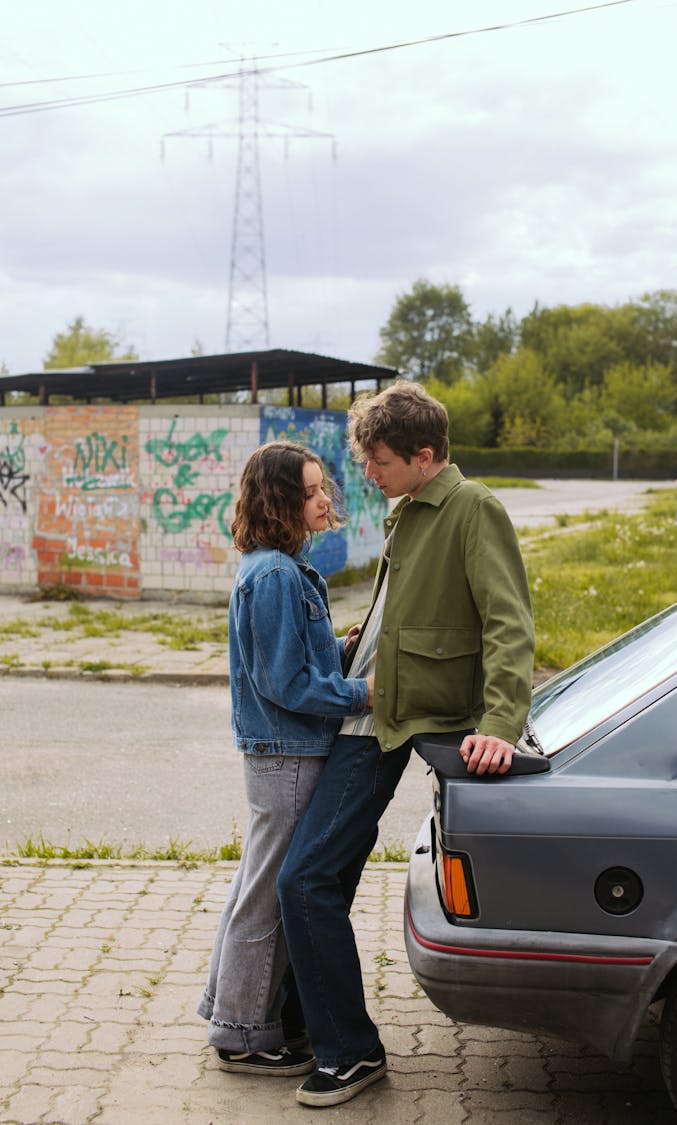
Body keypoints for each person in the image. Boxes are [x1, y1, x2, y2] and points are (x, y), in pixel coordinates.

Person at [278, 380, 535, 1107]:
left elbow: (508, 624)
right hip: (371, 709)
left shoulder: (472, 507)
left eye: (380, 461)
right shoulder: (409, 508)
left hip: (402, 720)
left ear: (425, 456)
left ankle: (349, 1052)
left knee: (304, 881)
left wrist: (497, 724)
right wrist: (364, 636)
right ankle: (308, 1024)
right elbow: (412, 608)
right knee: (316, 880)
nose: (367, 474)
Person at [197, 440, 373, 1077]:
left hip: (281, 751)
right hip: (288, 753)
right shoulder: (273, 574)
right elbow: (284, 681)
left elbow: (290, 654)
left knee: (257, 887)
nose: (326, 500)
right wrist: (362, 691)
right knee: (269, 897)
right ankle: (242, 1035)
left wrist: (336, 642)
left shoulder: (275, 567)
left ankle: (231, 1016)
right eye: (312, 491)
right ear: (282, 502)